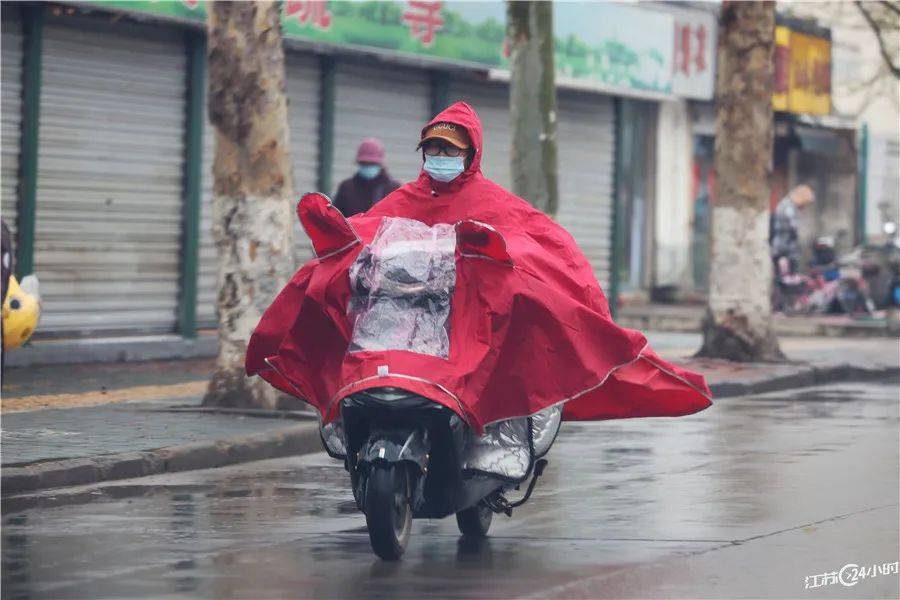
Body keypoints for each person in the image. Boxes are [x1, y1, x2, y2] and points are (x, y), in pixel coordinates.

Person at [332, 138, 401, 217]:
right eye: (364, 163)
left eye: (371, 164)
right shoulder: (347, 188)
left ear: (380, 164)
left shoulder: (393, 189)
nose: (368, 167)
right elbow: (336, 218)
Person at [771, 184, 815, 275]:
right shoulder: (788, 207)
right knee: (787, 281)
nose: (804, 207)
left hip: (783, 250)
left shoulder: (787, 205)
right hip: (783, 251)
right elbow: (793, 227)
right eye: (805, 203)